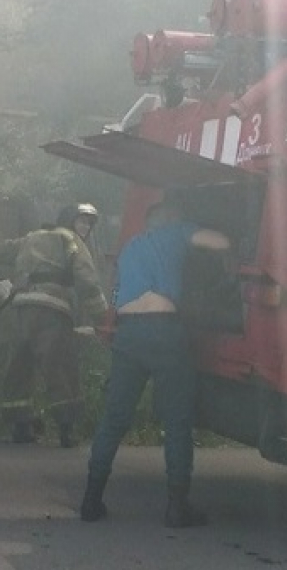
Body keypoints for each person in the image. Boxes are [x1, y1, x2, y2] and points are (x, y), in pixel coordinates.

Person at [79, 197, 230, 528]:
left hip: (128, 335)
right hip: (164, 334)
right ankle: (177, 508)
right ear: (172, 218)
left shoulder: (132, 246)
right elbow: (219, 242)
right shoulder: (176, 232)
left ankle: (91, 501)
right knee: (177, 421)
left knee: (115, 418)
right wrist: (227, 237)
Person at [0, 203, 107, 447]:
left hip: (21, 309)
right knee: (59, 367)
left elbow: (1, 250)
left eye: (89, 224)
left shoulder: (32, 237)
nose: (86, 228)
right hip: (52, 310)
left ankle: (20, 426)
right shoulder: (71, 240)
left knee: (18, 365)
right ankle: (66, 429)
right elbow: (87, 282)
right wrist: (102, 318)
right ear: (69, 220)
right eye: (82, 221)